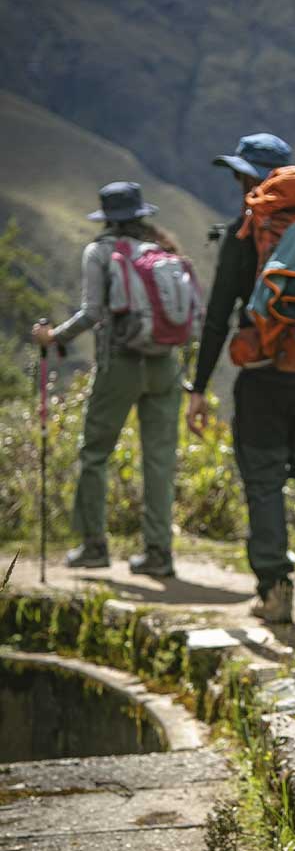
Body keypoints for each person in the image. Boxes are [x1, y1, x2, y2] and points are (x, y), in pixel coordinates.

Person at [186, 133, 295, 624]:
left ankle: (275, 589)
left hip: (264, 377)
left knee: (264, 482)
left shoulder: (248, 234)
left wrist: (198, 389)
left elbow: (218, 317)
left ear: (252, 180)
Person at [31, 181, 187, 577]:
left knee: (95, 453)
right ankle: (158, 553)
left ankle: (94, 546)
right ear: (140, 216)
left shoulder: (100, 252)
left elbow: (91, 312)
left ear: (106, 218)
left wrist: (54, 337)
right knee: (159, 460)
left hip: (120, 363)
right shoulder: (160, 252)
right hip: (165, 364)